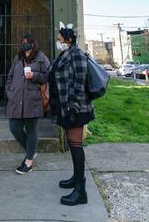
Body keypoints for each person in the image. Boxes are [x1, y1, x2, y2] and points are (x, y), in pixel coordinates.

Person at [48, 26, 94, 206]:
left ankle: (81, 191)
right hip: (65, 107)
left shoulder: (77, 54)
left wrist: (73, 106)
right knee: (72, 142)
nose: (57, 42)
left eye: (59, 39)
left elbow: (80, 82)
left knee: (76, 145)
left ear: (68, 40)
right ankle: (76, 178)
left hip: (76, 108)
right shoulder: (63, 55)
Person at [5, 34, 50, 174]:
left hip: (33, 99)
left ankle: (29, 161)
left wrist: (35, 76)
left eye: (27, 42)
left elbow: (49, 76)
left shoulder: (41, 58)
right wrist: (9, 92)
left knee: (31, 130)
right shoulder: (18, 57)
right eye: (23, 42)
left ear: (33, 44)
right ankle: (32, 151)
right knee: (14, 128)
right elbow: (10, 76)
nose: (25, 44)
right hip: (15, 99)